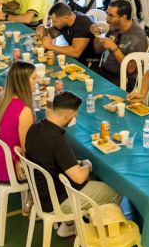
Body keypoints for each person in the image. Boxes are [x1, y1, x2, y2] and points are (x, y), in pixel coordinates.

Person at [24, 90, 122, 235]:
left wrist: (75, 163)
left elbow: (50, 159)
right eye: (75, 115)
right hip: (58, 201)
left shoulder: (34, 128)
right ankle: (100, 238)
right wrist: (87, 165)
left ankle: (70, 224)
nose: (75, 117)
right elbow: (79, 177)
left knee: (89, 180)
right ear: (68, 115)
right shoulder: (57, 140)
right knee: (115, 191)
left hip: (39, 193)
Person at [0, 61, 35, 187]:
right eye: (34, 78)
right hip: (11, 169)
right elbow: (27, 149)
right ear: (24, 82)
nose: (37, 82)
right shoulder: (25, 111)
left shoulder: (1, 98)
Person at [92, 0, 149, 86]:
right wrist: (98, 34)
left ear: (124, 17)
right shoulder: (114, 27)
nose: (107, 18)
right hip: (105, 72)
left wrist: (114, 48)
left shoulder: (138, 36)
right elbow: (98, 50)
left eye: (111, 15)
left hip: (123, 80)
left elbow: (130, 69)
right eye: (107, 13)